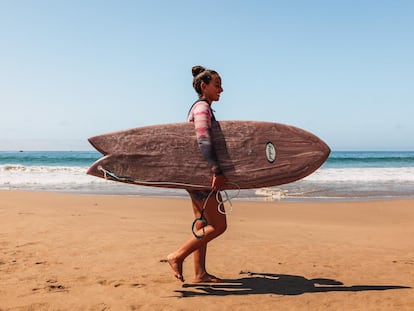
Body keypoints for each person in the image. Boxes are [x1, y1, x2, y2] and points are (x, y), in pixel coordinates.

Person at [167, 66, 227, 283]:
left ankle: (200, 274)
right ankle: (177, 256)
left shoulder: (199, 107)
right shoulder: (202, 108)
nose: (221, 89)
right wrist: (216, 170)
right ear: (204, 86)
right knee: (219, 225)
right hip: (203, 175)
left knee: (202, 223)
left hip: (194, 174)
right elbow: (203, 138)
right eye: (217, 85)